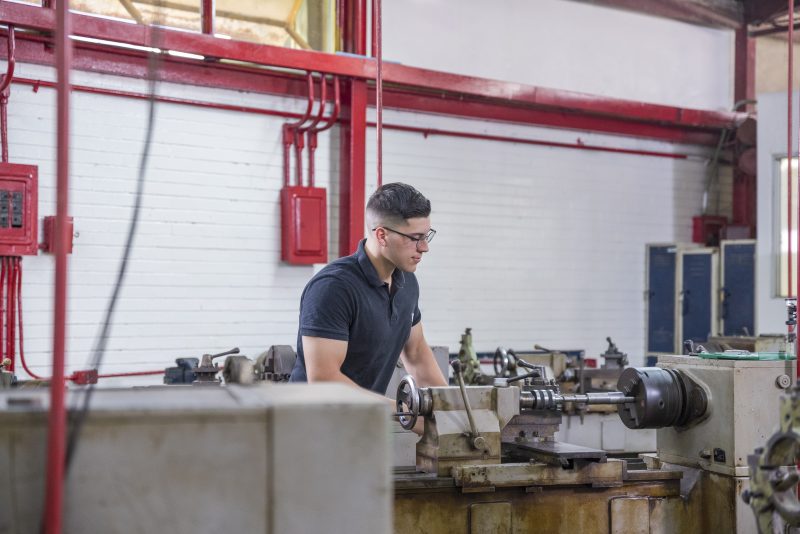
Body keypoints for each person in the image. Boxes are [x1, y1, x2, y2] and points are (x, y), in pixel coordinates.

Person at [289, 182, 447, 408]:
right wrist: (404, 414)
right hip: (311, 427)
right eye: (415, 238)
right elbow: (324, 381)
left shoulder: (407, 282)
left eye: (426, 236)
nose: (424, 247)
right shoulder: (333, 288)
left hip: (362, 424)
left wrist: (450, 411)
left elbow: (416, 353)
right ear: (382, 235)